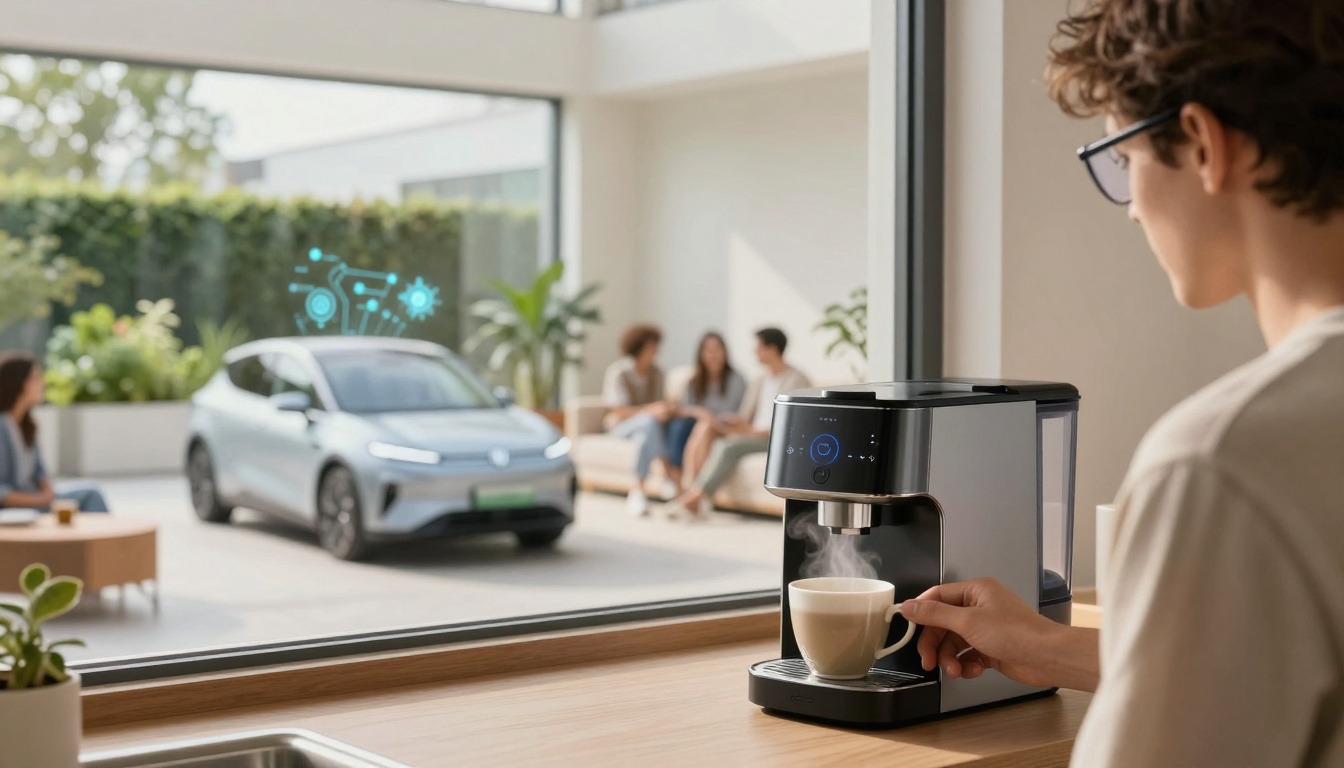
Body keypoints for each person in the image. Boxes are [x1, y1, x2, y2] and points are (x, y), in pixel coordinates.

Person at [895, 2, 1344, 765]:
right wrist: (1057, 649)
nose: (1131, 209)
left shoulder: (1221, 464)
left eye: (1121, 158)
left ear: (1203, 143)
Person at [669, 328, 808, 518]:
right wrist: (734, 422)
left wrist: (751, 431)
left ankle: (697, 497)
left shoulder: (797, 379)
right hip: (750, 431)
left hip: (771, 437)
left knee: (726, 446)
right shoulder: (760, 380)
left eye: (758, 347)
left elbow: (792, 424)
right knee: (705, 428)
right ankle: (692, 492)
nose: (754, 351)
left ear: (772, 349)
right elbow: (744, 416)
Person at [0, 352, 110, 513]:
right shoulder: (2, 427)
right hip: (13, 509)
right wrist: (39, 500)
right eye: (36, 377)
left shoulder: (27, 424)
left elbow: (39, 471)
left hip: (36, 500)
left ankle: (103, 538)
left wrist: (48, 492)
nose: (43, 384)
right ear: (18, 383)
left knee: (91, 493)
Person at [601, 324, 674, 517]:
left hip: (649, 428)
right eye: (652, 346)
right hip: (621, 427)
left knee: (646, 432)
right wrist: (650, 411)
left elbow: (662, 402)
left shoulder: (658, 373)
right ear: (639, 347)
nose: (656, 351)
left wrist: (665, 409)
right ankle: (667, 474)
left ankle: (638, 490)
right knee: (649, 422)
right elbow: (619, 410)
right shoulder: (619, 372)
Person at [664, 332, 747, 491]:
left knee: (703, 429)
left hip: (724, 426)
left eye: (717, 350)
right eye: (708, 350)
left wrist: (712, 420)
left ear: (725, 352)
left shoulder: (737, 380)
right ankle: (679, 481)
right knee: (680, 426)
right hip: (698, 425)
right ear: (701, 354)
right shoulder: (694, 380)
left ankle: (692, 489)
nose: (713, 355)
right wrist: (701, 413)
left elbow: (738, 413)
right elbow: (685, 409)